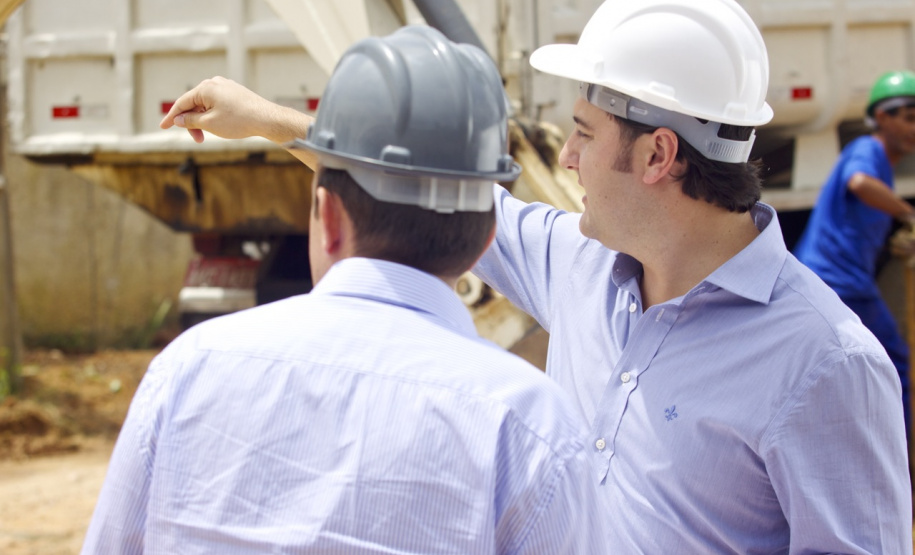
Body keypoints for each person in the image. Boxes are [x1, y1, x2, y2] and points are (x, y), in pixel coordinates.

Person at [142, 2, 912, 552]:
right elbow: (432, 186)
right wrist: (273, 121)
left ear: (658, 156)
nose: (566, 161)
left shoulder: (825, 365)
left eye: (581, 133)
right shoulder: (581, 267)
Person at [81, 26, 608, 554]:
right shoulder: (530, 429)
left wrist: (271, 121)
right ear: (486, 242)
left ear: (327, 216)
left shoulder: (186, 371)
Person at [794, 70, 915, 439]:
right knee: (893, 364)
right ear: (882, 118)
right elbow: (859, 183)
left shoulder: (884, 167)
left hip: (833, 282)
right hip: (839, 284)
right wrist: (908, 213)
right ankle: (898, 466)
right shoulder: (867, 150)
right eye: (909, 118)